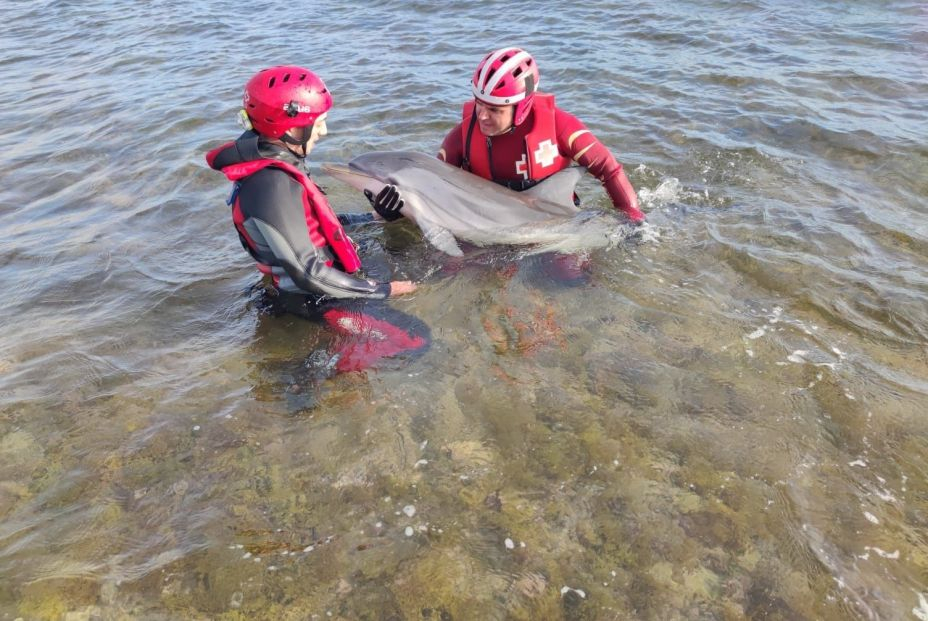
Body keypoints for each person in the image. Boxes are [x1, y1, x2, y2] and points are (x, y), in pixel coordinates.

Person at [206, 65, 428, 373]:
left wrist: (376, 218)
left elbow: (314, 226)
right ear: (290, 128)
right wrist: (383, 289)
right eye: (318, 123)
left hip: (305, 288)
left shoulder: (272, 166)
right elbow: (308, 273)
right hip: (314, 299)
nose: (323, 131)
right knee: (416, 340)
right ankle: (341, 386)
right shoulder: (272, 185)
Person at [438, 46, 645, 224]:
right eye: (479, 104)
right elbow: (429, 186)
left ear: (521, 107)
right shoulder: (461, 137)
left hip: (554, 222)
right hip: (489, 224)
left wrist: (633, 221)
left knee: (570, 271)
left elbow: (609, 170)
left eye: (494, 110)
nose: (482, 116)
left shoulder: (561, 128)